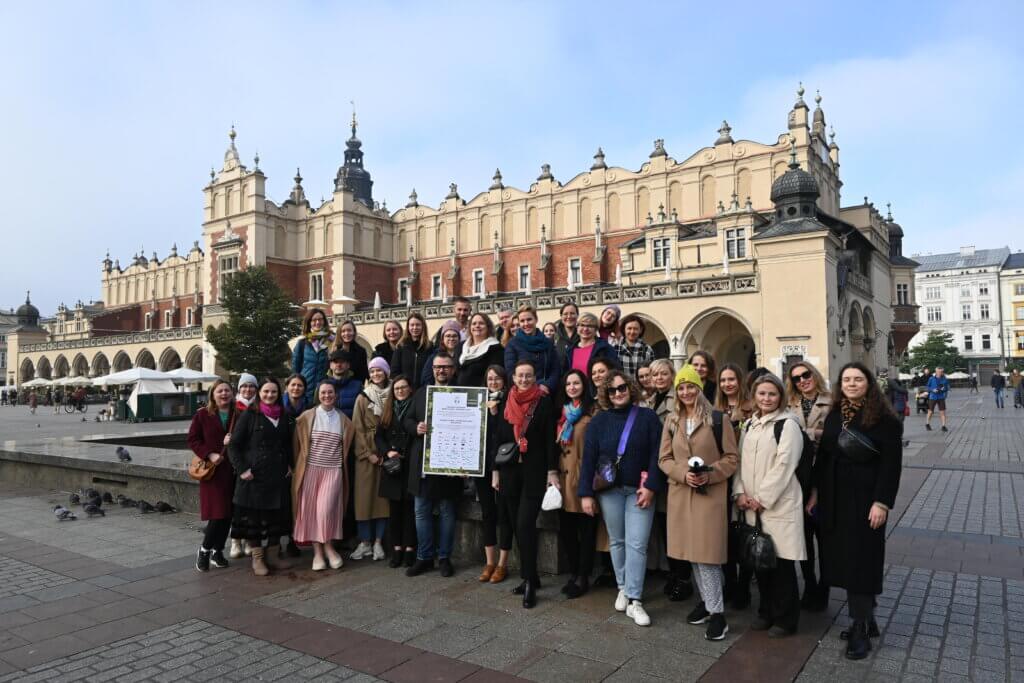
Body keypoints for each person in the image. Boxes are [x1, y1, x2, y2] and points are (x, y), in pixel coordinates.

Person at [809, 362, 902, 660]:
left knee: (862, 559)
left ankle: (860, 628)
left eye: (857, 379)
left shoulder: (885, 418)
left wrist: (882, 502)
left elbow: (891, 465)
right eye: (846, 379)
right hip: (835, 496)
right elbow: (823, 457)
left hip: (865, 499)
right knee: (846, 558)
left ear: (869, 383)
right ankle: (868, 617)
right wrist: (814, 493)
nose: (851, 384)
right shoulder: (836, 414)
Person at [579, 370, 666, 627]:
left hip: (639, 490)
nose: (618, 393)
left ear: (630, 389)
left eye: (622, 388)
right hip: (610, 491)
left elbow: (656, 454)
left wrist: (651, 485)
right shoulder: (599, 421)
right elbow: (589, 460)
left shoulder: (648, 417)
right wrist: (585, 493)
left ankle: (634, 600)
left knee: (637, 543)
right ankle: (622, 586)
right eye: (613, 390)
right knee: (617, 541)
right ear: (606, 394)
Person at [659, 365, 738, 641]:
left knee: (708, 556)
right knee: (692, 553)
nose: (686, 391)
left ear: (699, 388)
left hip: (709, 495)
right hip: (681, 494)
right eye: (681, 388)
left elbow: (731, 458)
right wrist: (683, 474)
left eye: (690, 386)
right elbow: (664, 459)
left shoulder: (718, 419)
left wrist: (709, 475)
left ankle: (718, 614)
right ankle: (706, 603)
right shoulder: (671, 421)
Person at [734, 372, 807, 637]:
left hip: (778, 505)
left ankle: (786, 619)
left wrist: (762, 499)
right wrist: (739, 493)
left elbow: (785, 464)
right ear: (754, 396)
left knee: (782, 565)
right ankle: (765, 612)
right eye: (762, 393)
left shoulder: (787, 424)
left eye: (772, 394)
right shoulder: (751, 424)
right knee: (760, 562)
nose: (766, 398)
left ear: (780, 397)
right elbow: (740, 462)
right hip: (752, 506)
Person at [491, 359, 558, 608]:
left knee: (525, 524)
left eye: (529, 376)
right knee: (518, 528)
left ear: (535, 377)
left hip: (533, 471)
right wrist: (495, 471)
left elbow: (550, 439)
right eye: (520, 376)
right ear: (514, 377)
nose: (524, 380)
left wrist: (552, 471)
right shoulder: (506, 400)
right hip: (509, 472)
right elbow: (499, 438)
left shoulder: (543, 401)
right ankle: (531, 576)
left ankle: (529, 582)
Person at [405, 352, 464, 577]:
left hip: (451, 464)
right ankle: (424, 557)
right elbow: (407, 420)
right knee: (421, 512)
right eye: (438, 367)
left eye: (446, 367)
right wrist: (416, 428)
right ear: (433, 370)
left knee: (448, 512)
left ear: (453, 370)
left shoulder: (462, 394)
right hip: (424, 462)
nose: (441, 371)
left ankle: (445, 558)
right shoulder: (421, 394)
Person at [228, 377, 294, 577]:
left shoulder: (284, 415)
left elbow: (288, 444)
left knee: (276, 518)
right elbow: (234, 445)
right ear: (259, 393)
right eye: (266, 391)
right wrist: (242, 469)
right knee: (254, 522)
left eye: (274, 392)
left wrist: (290, 464)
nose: (269, 395)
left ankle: (273, 555)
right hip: (254, 478)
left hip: (277, 476)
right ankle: (258, 559)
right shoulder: (250, 415)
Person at [292, 381, 354, 571]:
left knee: (326, 511)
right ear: (318, 394)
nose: (327, 395)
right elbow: (297, 448)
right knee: (310, 511)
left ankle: (329, 547)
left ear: (336, 395)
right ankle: (318, 552)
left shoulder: (345, 420)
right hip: (310, 470)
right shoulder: (306, 417)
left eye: (330, 392)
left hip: (333, 471)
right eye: (323, 392)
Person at [785, 360, 831, 612]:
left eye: (806, 375)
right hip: (799, 477)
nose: (803, 380)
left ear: (814, 375)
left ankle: (824, 587)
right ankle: (810, 585)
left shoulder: (830, 401)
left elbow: (837, 434)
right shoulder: (789, 404)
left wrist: (807, 434)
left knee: (823, 537)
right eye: (796, 378)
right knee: (802, 537)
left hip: (822, 475)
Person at [645, 358, 689, 602]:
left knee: (676, 527)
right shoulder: (651, 400)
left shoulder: (677, 399)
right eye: (655, 375)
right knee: (664, 526)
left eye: (663, 374)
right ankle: (673, 573)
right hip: (656, 469)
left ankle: (682, 577)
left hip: (672, 468)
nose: (659, 378)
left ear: (672, 375)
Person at [715, 363, 755, 609]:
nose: (727, 384)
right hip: (722, 477)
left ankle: (743, 586)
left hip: (745, 475)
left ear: (740, 382)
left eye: (731, 379)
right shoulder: (714, 410)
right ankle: (729, 583)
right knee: (726, 535)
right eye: (723, 380)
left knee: (745, 534)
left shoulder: (750, 409)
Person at [188, 379, 237, 572]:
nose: (224, 394)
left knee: (228, 515)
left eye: (227, 390)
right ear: (213, 394)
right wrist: (210, 453)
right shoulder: (202, 415)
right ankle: (204, 550)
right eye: (220, 391)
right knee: (218, 514)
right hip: (213, 472)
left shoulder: (238, 413)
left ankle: (218, 550)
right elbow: (192, 439)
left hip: (232, 471)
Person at [556, 369, 597, 598]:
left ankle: (583, 575)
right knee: (567, 529)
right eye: (568, 383)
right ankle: (574, 571)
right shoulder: (561, 412)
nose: (572, 387)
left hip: (582, 477)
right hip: (562, 479)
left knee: (586, 529)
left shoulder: (591, 411)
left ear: (584, 385)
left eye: (576, 383)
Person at [351, 357, 392, 561]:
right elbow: (356, 429)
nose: (376, 374)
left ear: (386, 372)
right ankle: (365, 542)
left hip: (386, 450)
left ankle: (378, 542)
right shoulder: (363, 397)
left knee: (382, 500)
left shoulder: (393, 394)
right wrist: (368, 454)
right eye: (373, 371)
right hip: (366, 454)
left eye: (380, 370)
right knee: (364, 499)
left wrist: (387, 452)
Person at [376, 375, 417, 568]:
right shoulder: (387, 411)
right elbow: (379, 437)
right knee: (394, 511)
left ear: (410, 389)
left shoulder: (415, 409)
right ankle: (397, 548)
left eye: (403, 387)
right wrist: (387, 451)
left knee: (410, 509)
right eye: (396, 388)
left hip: (409, 465)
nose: (400, 391)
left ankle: (410, 548)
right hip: (393, 466)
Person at [479, 365, 511, 583]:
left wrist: (495, 413)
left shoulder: (509, 401)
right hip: (481, 466)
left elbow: (505, 435)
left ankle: (502, 564)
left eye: (497, 379)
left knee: (504, 515)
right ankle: (489, 562)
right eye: (489, 379)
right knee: (487, 513)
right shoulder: (479, 400)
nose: (493, 382)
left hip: (502, 465)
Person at [228, 372, 259, 559]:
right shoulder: (233, 407)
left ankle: (248, 539)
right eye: (244, 386)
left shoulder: (259, 407)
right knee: (236, 503)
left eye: (251, 386)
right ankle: (235, 540)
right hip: (235, 461)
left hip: (252, 461)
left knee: (249, 504)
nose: (248, 390)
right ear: (239, 389)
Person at [504, 305, 561, 395]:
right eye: (522, 321)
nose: (526, 323)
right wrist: (531, 389)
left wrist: (547, 385)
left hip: (545, 394)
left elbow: (555, 369)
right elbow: (511, 372)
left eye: (529, 319)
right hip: (523, 395)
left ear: (536, 319)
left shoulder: (548, 343)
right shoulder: (512, 344)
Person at [292, 308, 334, 405]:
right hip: (305, 393)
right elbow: (295, 370)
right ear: (309, 322)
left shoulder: (332, 341)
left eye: (320, 319)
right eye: (314, 320)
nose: (317, 322)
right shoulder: (302, 343)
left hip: (325, 393)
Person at [456, 313, 505, 388]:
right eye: (474, 323)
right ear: (470, 327)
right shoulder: (461, 346)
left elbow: (495, 376)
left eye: (481, 323)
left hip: (481, 394)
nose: (477, 326)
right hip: (459, 394)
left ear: (488, 327)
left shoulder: (495, 349)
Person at [564, 312, 618, 377]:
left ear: (596, 329)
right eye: (582, 325)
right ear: (577, 327)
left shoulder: (605, 348)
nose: (585, 329)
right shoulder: (570, 350)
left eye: (590, 326)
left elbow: (615, 372)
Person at [391, 313, 433, 390]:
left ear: (423, 326)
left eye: (418, 325)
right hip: (405, 391)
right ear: (408, 327)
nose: (414, 327)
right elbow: (394, 372)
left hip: (424, 390)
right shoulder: (401, 347)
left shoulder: (430, 347)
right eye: (412, 325)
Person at [421, 320, 463, 386]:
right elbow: (426, 378)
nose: (451, 339)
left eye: (454, 336)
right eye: (448, 336)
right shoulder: (434, 356)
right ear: (442, 339)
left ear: (459, 338)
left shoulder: (464, 355)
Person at [614, 314, 656, 379]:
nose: (632, 332)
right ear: (624, 329)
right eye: (629, 328)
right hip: (622, 388)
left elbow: (652, 372)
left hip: (641, 388)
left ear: (640, 330)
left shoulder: (647, 349)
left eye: (635, 329)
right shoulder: (615, 348)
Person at [324, 349, 363, 419]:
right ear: (330, 365)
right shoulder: (322, 386)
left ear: (348, 365)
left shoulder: (358, 386)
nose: (339, 365)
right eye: (335, 362)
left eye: (342, 362)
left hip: (350, 428)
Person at [331, 320, 369, 385]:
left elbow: (363, 373)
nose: (346, 333)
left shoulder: (361, 351)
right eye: (343, 331)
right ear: (339, 333)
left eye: (349, 330)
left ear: (354, 332)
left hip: (355, 388)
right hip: (336, 387)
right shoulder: (334, 350)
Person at [886, 378, 910, 447]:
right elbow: (907, 399)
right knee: (901, 422)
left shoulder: (892, 391)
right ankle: (900, 435)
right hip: (902, 408)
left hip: (895, 408)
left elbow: (891, 399)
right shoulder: (903, 390)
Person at [925, 366, 950, 432]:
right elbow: (927, 387)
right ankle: (927, 424)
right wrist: (932, 390)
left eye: (941, 372)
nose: (940, 373)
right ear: (936, 372)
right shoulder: (931, 378)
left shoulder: (945, 379)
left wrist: (943, 389)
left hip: (941, 397)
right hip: (932, 397)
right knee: (930, 412)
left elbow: (947, 388)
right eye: (939, 371)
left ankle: (943, 426)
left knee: (942, 412)